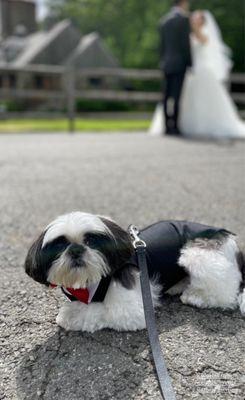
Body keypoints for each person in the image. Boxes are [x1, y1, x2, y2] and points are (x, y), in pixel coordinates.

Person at [150, 10, 245, 139]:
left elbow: (202, 41)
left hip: (202, 70)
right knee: (182, 98)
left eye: (198, 18)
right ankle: (179, 125)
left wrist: (192, 28)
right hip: (188, 71)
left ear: (203, 21)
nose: (194, 20)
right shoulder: (186, 33)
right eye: (194, 18)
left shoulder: (203, 34)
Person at [159, 0, 192, 135]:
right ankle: (175, 126)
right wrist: (190, 63)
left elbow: (161, 46)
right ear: (182, 3)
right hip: (179, 63)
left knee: (166, 96)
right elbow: (185, 45)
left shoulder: (164, 21)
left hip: (166, 63)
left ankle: (166, 126)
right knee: (177, 96)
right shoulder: (184, 20)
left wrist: (162, 61)